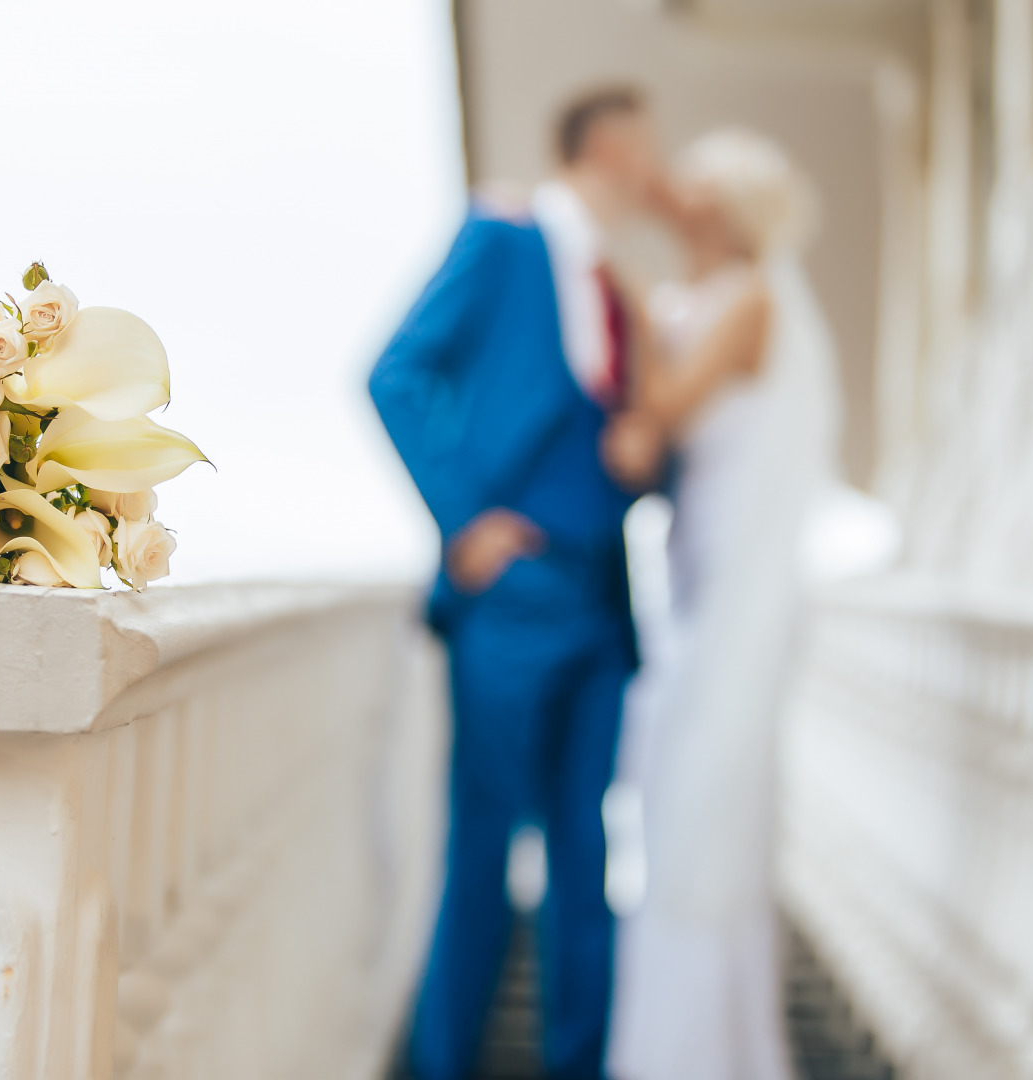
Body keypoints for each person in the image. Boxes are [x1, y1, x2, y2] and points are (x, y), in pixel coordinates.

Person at [368, 86, 655, 1080]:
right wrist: (464, 521)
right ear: (609, 146)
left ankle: (581, 1066)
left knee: (587, 856)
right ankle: (444, 1064)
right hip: (512, 594)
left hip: (603, 598)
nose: (655, 164)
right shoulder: (503, 237)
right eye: (646, 144)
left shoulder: (618, 290)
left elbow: (611, 434)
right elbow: (394, 371)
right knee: (483, 847)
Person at [603, 130, 842, 1080]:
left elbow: (664, 414)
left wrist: (630, 307)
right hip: (689, 581)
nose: (677, 187)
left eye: (699, 179)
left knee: (703, 808)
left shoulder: (749, 301)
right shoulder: (699, 301)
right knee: (677, 804)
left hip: (730, 599)